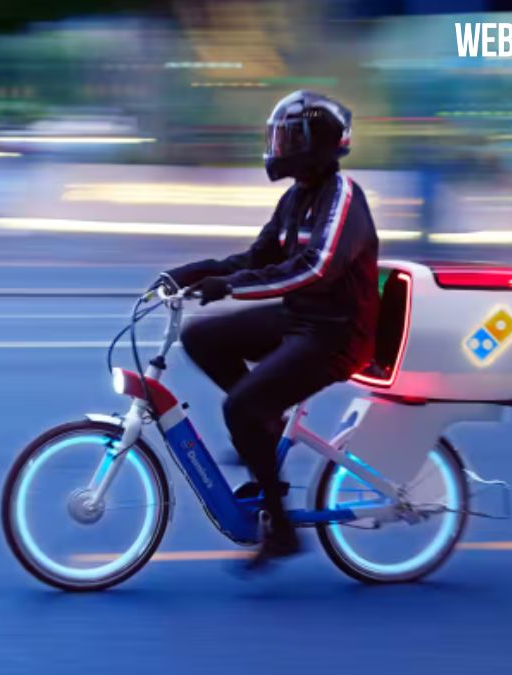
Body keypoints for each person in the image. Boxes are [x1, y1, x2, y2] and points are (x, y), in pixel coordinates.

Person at [159, 91, 380, 566]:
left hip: (337, 335)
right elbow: (257, 258)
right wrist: (197, 271)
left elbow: (314, 269)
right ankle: (265, 424)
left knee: (240, 407)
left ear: (316, 143)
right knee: (200, 337)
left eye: (288, 137)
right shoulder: (296, 198)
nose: (278, 146)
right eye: (277, 136)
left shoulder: (343, 199)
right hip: (301, 320)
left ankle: (280, 529)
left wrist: (232, 287)